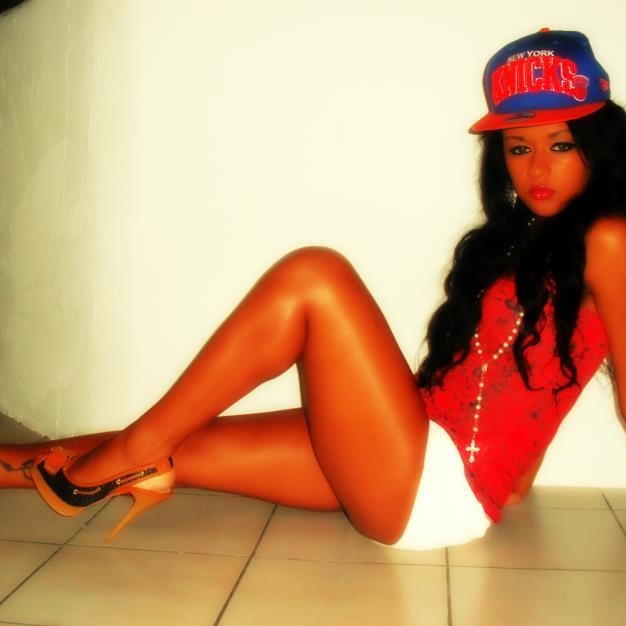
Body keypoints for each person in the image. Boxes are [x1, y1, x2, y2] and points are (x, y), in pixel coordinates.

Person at [1, 27, 625, 550]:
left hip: (434, 486)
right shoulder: (526, 239)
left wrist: (498, 478)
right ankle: (60, 461)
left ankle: (137, 446)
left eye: (561, 144)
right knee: (178, 447)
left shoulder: (611, 237)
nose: (536, 168)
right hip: (403, 442)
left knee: (316, 277)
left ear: (598, 147)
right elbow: (533, 374)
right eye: (518, 147)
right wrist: (517, 475)